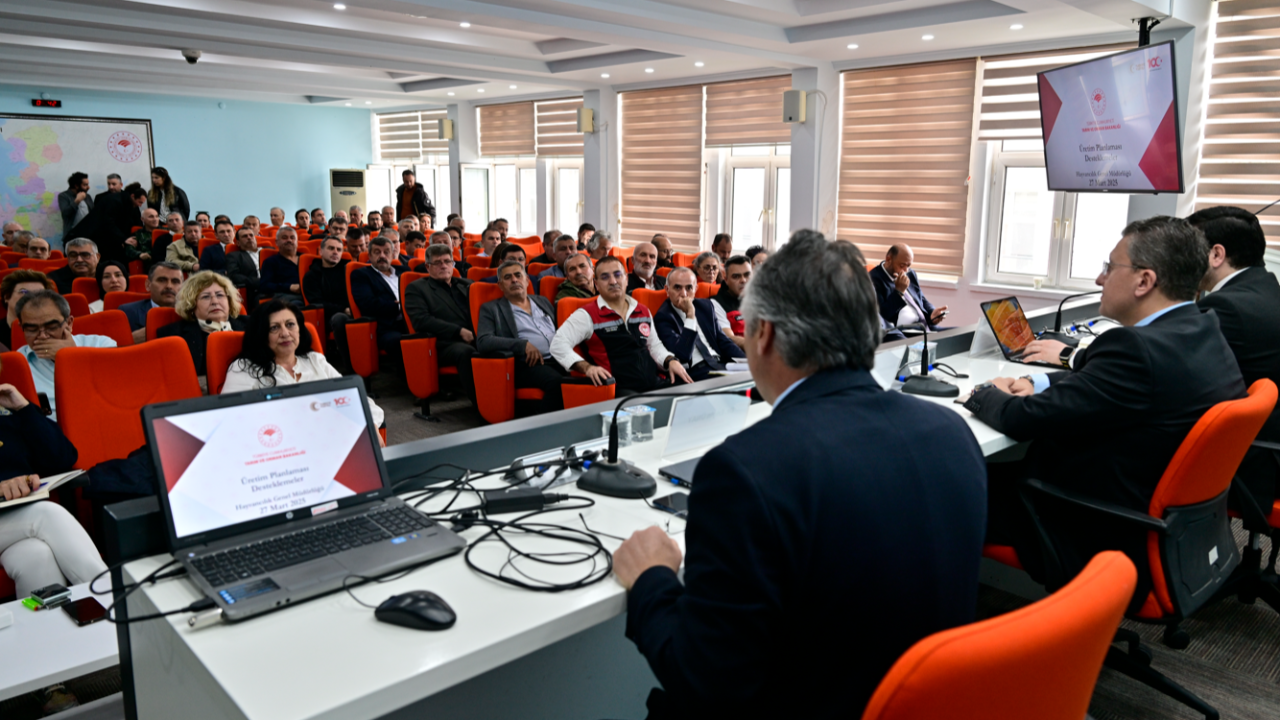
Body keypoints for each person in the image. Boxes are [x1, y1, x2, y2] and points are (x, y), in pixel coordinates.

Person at [612, 230, 987, 718]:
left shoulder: (745, 471)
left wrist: (651, 579)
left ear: (763, 334)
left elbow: (704, 678)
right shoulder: (952, 433)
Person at [964, 216, 1246, 591]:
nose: (1100, 279)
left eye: (1110, 267)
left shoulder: (1135, 349)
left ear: (1144, 281)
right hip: (1161, 522)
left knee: (941, 483)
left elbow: (1021, 420)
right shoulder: (1201, 328)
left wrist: (984, 392)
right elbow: (1117, 385)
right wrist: (1039, 381)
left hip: (1087, 523)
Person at [1191, 206, 1280, 524]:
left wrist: (1072, 355)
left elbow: (1167, 360)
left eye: (1187, 249)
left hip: (1255, 463)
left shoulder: (1227, 305)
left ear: (1216, 255)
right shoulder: (1266, 287)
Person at [0, 359, 108, 600]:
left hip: (14, 520)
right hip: (30, 517)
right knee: (47, 514)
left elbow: (63, 458)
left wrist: (24, 409)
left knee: (36, 556)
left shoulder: (9, 412)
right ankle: (113, 600)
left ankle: (52, 625)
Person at [223, 300, 384, 436]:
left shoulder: (314, 360)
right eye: (274, 328)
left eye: (290, 325)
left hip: (329, 439)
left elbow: (354, 397)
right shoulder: (244, 368)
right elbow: (231, 420)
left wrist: (371, 424)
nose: (285, 333)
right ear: (261, 334)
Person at [550, 256, 692, 394]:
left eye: (618, 275)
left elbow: (654, 346)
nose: (613, 281)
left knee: (688, 390)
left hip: (654, 383)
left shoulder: (642, 310)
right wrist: (587, 368)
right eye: (605, 277)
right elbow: (558, 344)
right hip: (619, 389)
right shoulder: (586, 315)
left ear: (626, 279)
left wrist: (670, 360)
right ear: (596, 284)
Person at [475, 260, 566, 413]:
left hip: (559, 358)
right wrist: (522, 345)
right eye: (508, 277)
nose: (514, 280)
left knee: (587, 376)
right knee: (556, 383)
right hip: (527, 364)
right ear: (500, 285)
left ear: (527, 280)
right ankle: (546, 426)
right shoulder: (491, 308)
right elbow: (484, 341)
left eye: (518, 275)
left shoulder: (542, 301)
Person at [15, 291, 117, 418]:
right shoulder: (16, 364)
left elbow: (113, 396)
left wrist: (71, 356)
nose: (42, 336)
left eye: (51, 327)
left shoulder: (101, 345)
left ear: (69, 323)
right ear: (21, 328)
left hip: (101, 419)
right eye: (32, 329)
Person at [404, 244, 475, 400]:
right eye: (437, 262)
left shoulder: (467, 284)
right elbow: (422, 321)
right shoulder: (417, 288)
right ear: (427, 267)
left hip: (476, 336)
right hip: (442, 343)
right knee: (465, 352)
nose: (443, 266)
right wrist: (459, 331)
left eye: (447, 261)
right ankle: (482, 404)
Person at [654, 267, 744, 381]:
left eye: (689, 288)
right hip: (695, 371)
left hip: (721, 364)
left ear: (695, 289)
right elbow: (683, 355)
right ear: (667, 290)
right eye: (677, 288)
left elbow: (723, 341)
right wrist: (690, 316)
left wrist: (746, 361)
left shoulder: (706, 306)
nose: (684, 294)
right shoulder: (663, 317)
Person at [156, 272, 248, 377]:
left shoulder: (252, 325)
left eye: (219, 295)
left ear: (229, 301)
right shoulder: (173, 335)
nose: (215, 301)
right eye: (206, 297)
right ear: (192, 305)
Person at [869, 244, 948, 332]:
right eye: (902, 265)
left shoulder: (910, 273)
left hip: (925, 326)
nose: (906, 270)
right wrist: (899, 292)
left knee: (959, 333)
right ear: (888, 259)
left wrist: (932, 313)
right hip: (904, 331)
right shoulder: (873, 279)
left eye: (908, 265)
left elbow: (921, 299)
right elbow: (882, 317)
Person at [349, 236, 406, 354]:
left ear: (393, 254)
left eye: (386, 252)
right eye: (377, 252)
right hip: (387, 327)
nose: (382, 256)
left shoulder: (404, 271)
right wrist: (400, 306)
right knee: (403, 343)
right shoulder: (361, 275)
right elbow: (368, 304)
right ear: (369, 256)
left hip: (413, 322)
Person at [66, 182, 147, 261]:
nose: (140, 205)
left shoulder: (127, 202)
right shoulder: (115, 201)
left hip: (105, 237)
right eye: (140, 202)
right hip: (92, 237)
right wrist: (123, 239)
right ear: (132, 196)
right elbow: (108, 222)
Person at [120, 262, 183, 343]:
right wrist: (130, 340)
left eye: (175, 281)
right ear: (148, 285)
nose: (169, 286)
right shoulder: (127, 312)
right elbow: (113, 347)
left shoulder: (191, 314)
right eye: (162, 280)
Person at [1, 270, 55, 352]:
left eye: (39, 293)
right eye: (24, 292)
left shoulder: (55, 331)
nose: (32, 297)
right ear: (7, 297)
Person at [304, 236, 351, 327]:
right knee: (339, 318)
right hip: (331, 315)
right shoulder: (312, 276)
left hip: (353, 310)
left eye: (339, 250)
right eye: (331, 248)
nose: (335, 252)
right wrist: (343, 309)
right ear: (321, 251)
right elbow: (317, 302)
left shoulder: (349, 271)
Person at [712, 255, 751, 348]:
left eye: (747, 275)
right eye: (736, 276)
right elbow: (728, 338)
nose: (743, 280)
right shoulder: (716, 303)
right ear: (726, 279)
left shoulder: (761, 298)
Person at [259, 225, 304, 307]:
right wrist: (289, 287)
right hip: (287, 296)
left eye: (292, 238)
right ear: (277, 242)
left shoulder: (306, 258)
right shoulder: (270, 262)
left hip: (309, 294)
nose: (289, 240)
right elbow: (264, 286)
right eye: (284, 238)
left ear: (297, 242)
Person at [225, 227, 261, 306]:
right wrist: (260, 282)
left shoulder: (268, 250)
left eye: (251, 235)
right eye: (245, 236)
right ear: (238, 243)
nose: (249, 238)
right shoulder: (234, 256)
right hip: (257, 290)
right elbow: (234, 276)